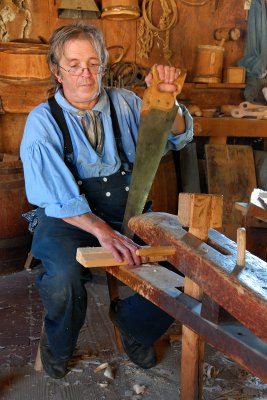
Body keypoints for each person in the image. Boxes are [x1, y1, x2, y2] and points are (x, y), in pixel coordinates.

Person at [20, 22, 193, 379]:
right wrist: (103, 232)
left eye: (93, 63)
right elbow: (56, 197)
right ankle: (59, 344)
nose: (85, 73)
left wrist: (168, 99)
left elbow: (177, 137)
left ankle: (135, 325)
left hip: (127, 212)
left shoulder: (127, 103)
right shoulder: (42, 122)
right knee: (63, 277)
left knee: (188, 261)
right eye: (74, 64)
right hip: (68, 218)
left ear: (104, 64)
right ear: (57, 70)